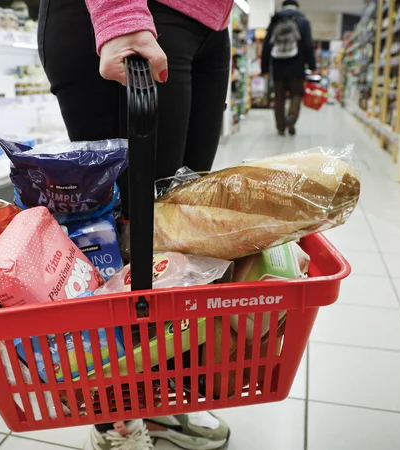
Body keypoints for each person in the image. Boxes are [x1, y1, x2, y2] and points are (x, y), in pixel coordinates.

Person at [37, 1, 235, 449]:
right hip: (131, 15)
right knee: (121, 234)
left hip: (207, 24)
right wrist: (119, 15)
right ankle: (117, 414)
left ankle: (159, 395)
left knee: (176, 222)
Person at [261, 0, 316, 136]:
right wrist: (312, 65)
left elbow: (266, 45)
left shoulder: (275, 21)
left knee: (279, 97)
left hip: (278, 66)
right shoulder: (303, 21)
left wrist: (265, 68)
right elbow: (308, 44)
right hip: (297, 65)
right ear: (297, 7)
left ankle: (280, 127)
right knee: (296, 94)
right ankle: (291, 118)